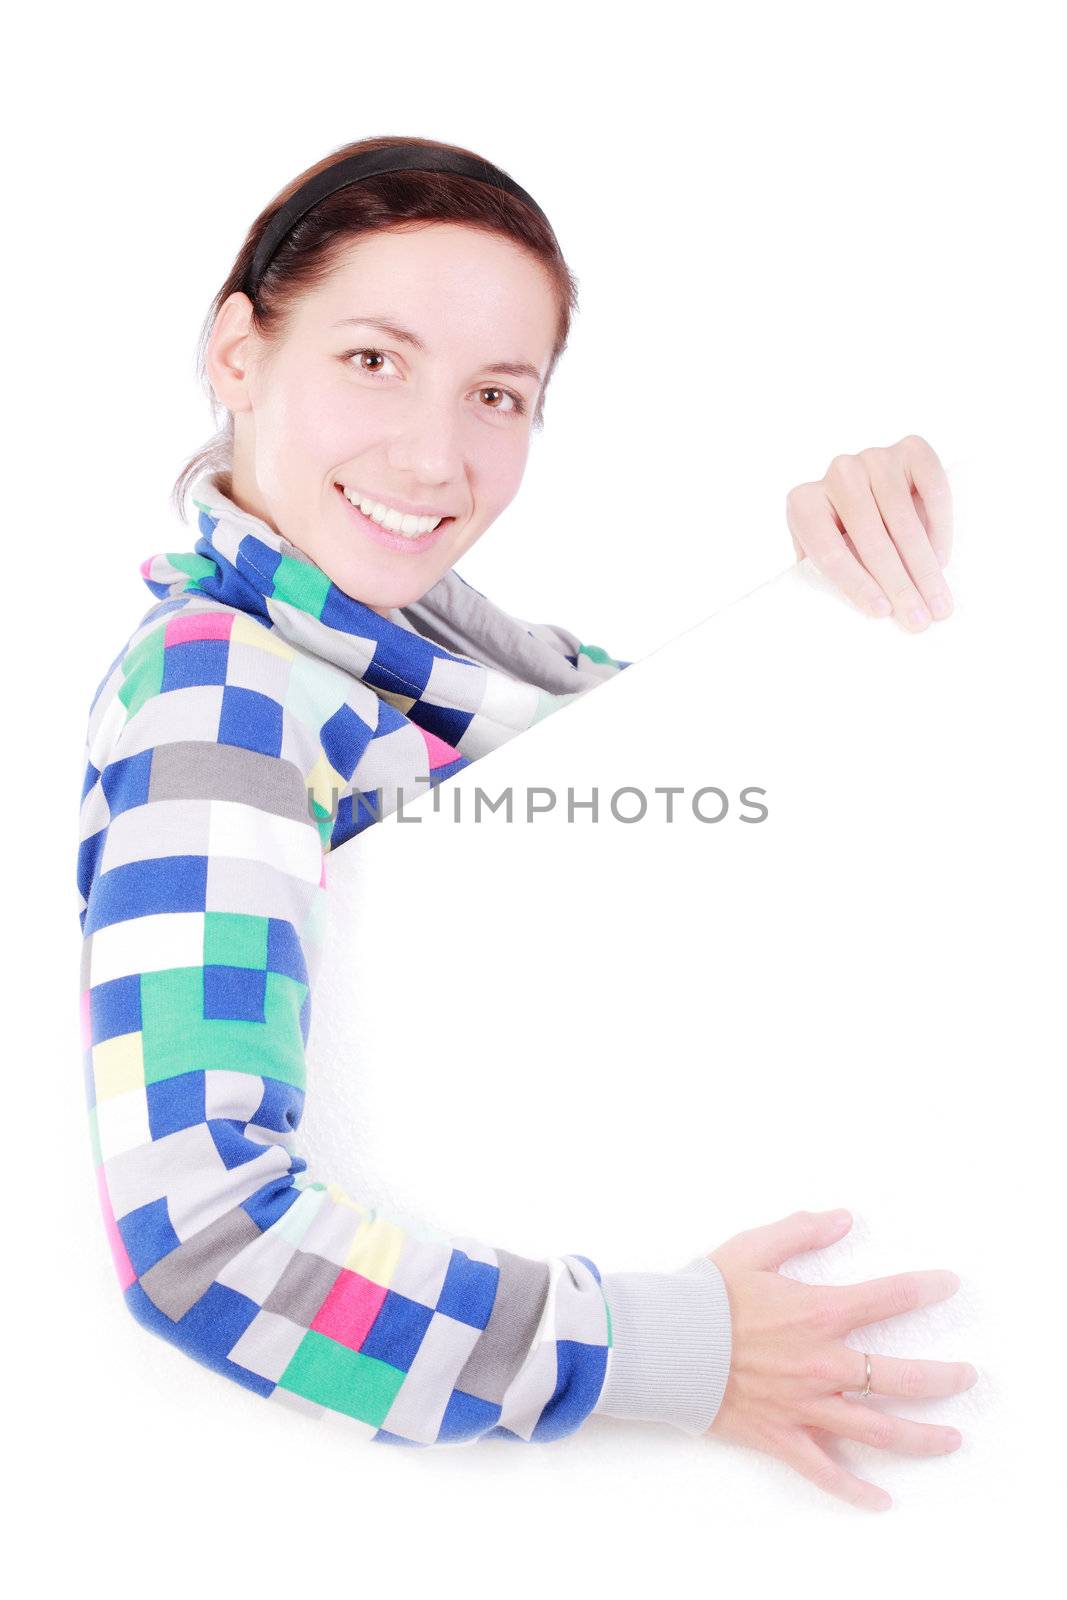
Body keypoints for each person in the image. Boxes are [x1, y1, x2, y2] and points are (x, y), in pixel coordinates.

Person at [76, 134, 975, 1509]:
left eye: (498, 394)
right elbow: (200, 1237)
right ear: (239, 353)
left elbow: (712, 787)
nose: (435, 453)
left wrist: (848, 562)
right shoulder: (223, 690)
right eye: (373, 360)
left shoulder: (457, 668)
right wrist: (677, 1354)